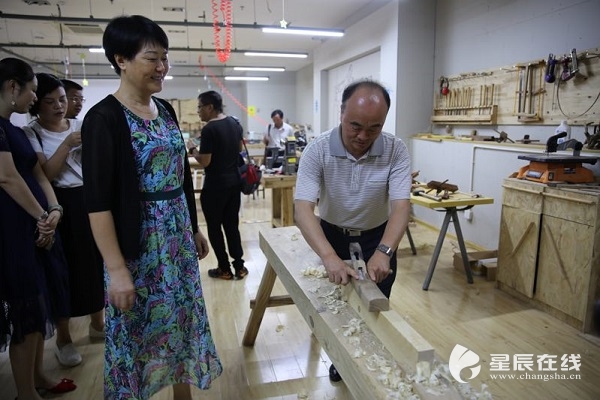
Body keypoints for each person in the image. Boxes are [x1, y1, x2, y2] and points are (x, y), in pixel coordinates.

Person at [81, 15, 222, 400]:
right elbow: (97, 203)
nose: (162, 67)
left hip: (175, 242)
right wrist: (116, 269)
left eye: (165, 57)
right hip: (135, 248)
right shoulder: (103, 118)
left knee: (181, 320)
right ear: (121, 60)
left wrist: (193, 226)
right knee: (134, 333)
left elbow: (178, 178)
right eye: (151, 58)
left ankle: (183, 395)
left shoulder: (166, 111)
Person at [293, 80, 412, 382]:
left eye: (374, 128)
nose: (363, 136)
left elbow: (400, 207)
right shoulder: (317, 150)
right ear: (341, 114)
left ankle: (368, 368)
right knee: (336, 308)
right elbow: (303, 209)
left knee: (375, 303)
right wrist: (329, 256)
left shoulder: (396, 150)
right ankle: (340, 359)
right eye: (355, 126)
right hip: (332, 235)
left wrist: (385, 251)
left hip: (377, 237)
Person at [0, 57, 77, 399]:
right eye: (32, 91)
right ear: (13, 87)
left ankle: (38, 377)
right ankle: (26, 391)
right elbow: (7, 177)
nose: (34, 98)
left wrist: (54, 207)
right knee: (25, 306)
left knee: (37, 301)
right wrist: (41, 216)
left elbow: (36, 174)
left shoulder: (13, 129)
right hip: (13, 227)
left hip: (35, 223)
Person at [23, 73, 105, 368]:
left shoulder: (82, 126)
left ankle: (98, 323)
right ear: (36, 104)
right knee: (63, 268)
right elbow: (45, 175)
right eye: (50, 101)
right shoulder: (31, 133)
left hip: (90, 199)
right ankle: (64, 338)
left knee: (97, 262)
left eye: (63, 99)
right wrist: (68, 144)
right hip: (57, 202)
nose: (59, 106)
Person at [189, 90, 248, 280]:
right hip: (234, 183)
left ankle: (224, 268)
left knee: (215, 228)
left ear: (209, 107)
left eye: (199, 107)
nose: (198, 112)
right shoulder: (234, 123)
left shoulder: (209, 130)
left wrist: (192, 149)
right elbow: (239, 149)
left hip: (215, 186)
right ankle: (239, 267)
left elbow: (205, 161)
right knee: (232, 225)